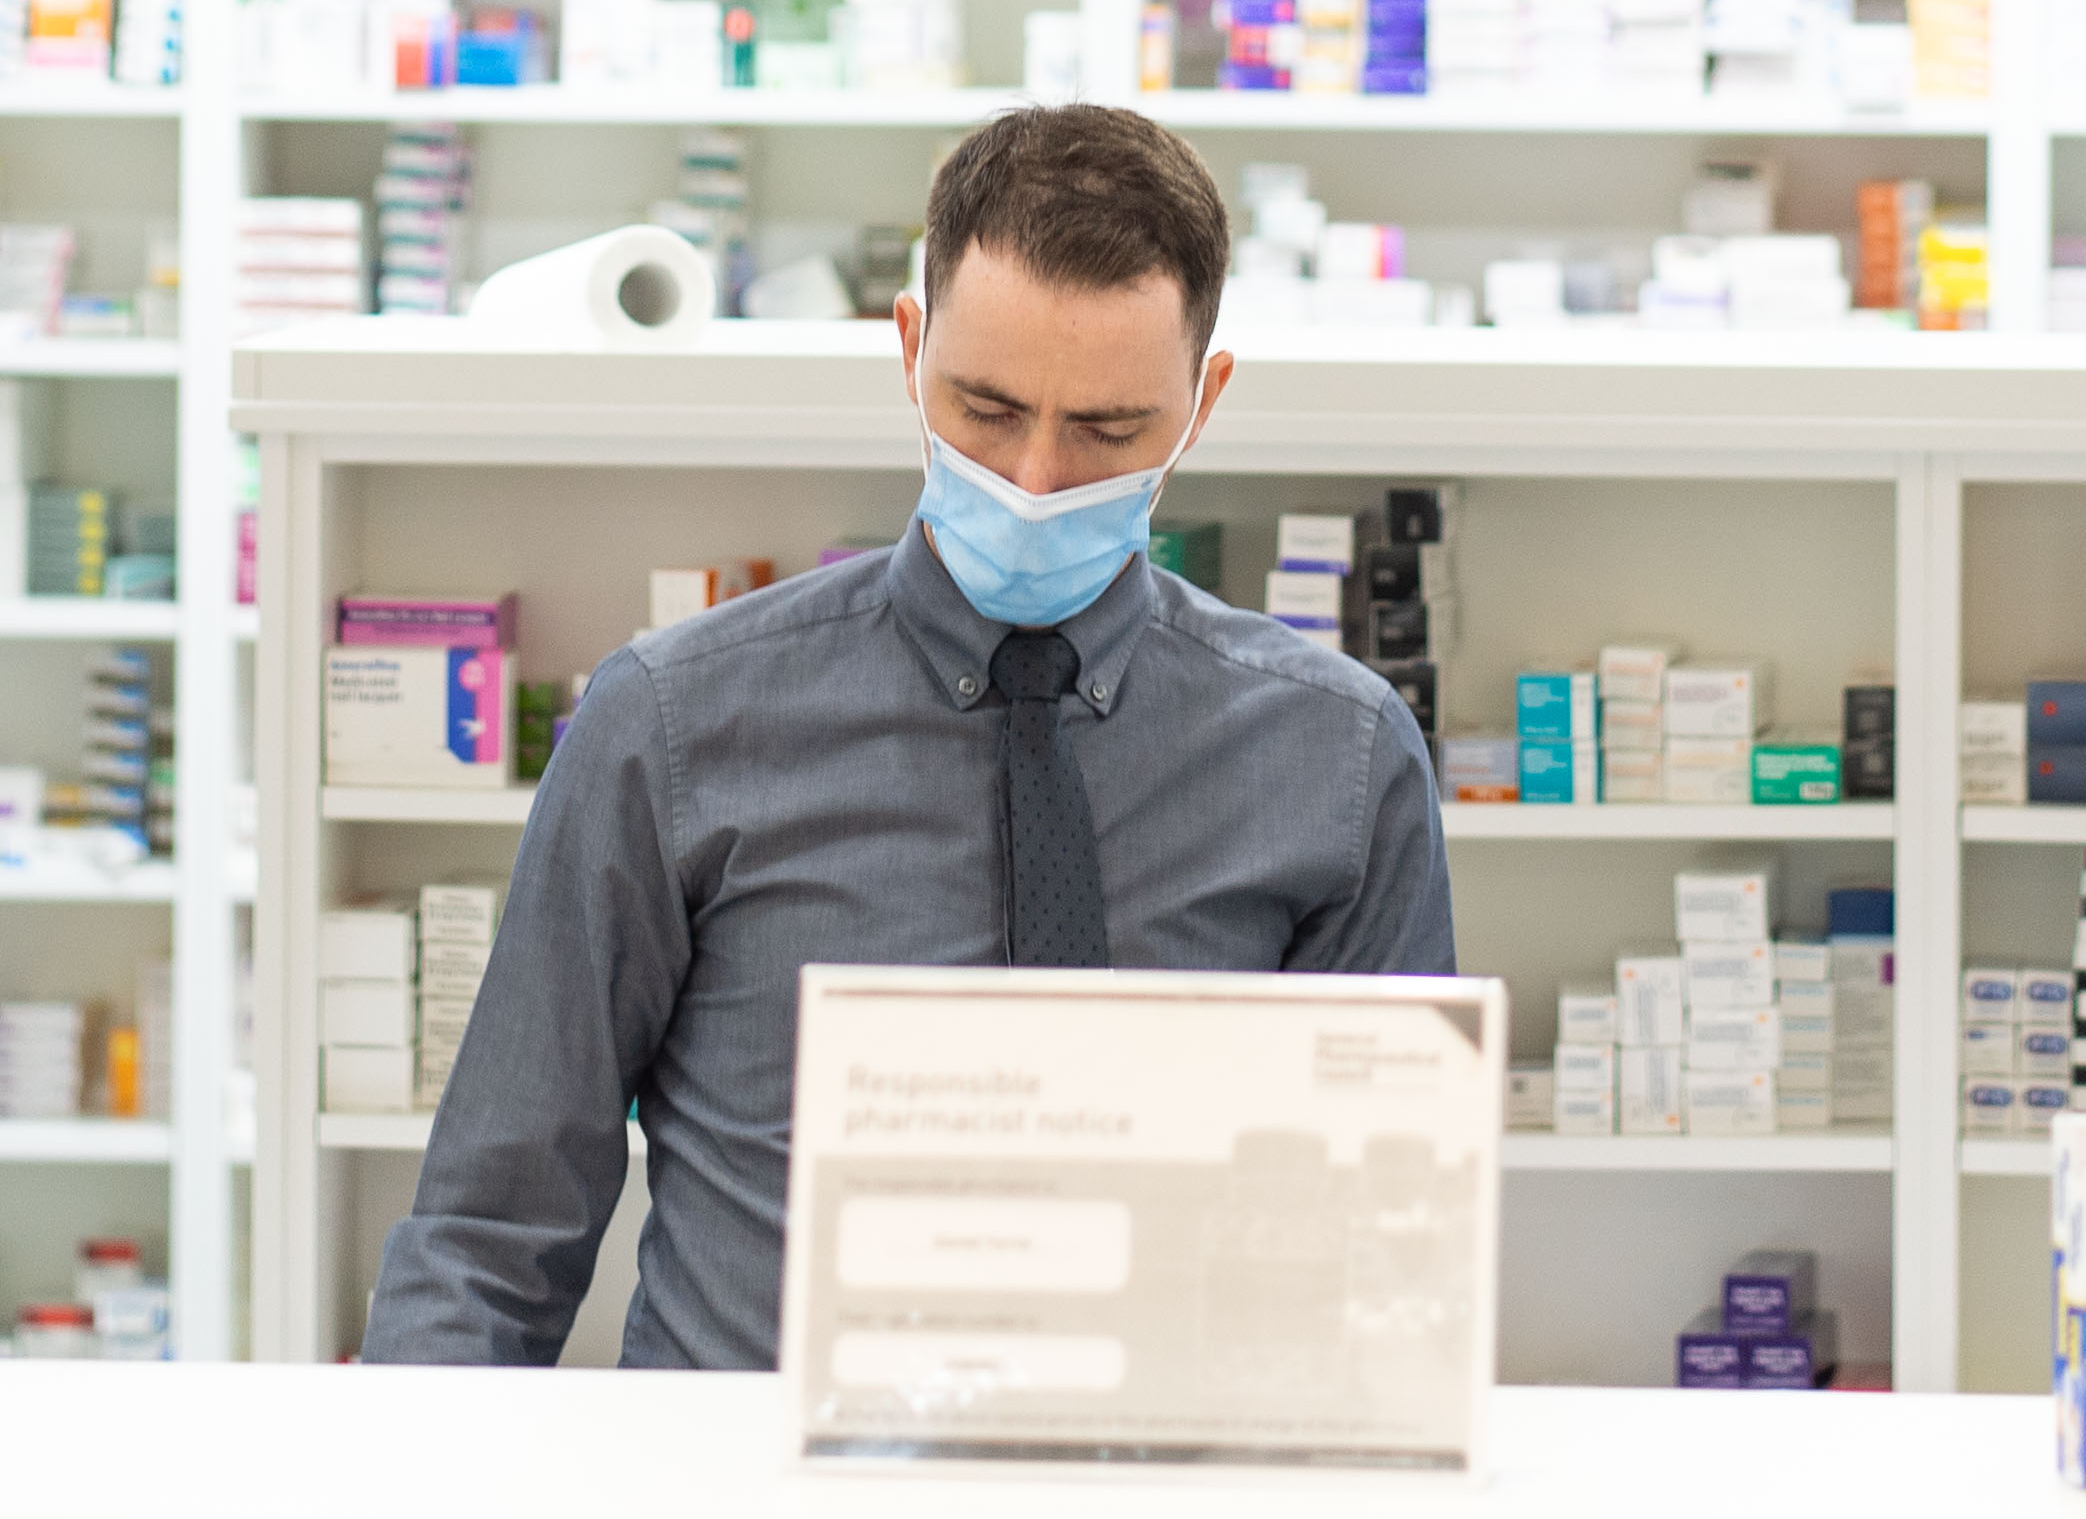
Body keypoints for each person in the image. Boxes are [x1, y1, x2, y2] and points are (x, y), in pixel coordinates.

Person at [361, 104, 1451, 1370]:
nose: (1035, 480)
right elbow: (489, 1235)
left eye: (1108, 431)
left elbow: (1384, 1265)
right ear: (909, 348)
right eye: (986, 409)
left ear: (1201, 403)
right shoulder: (674, 723)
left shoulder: (1335, 761)